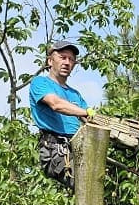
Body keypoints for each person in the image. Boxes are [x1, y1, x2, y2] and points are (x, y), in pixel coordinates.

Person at [28, 37, 93, 188]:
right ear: (50, 61)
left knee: (98, 179)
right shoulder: (40, 82)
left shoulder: (75, 95)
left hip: (76, 147)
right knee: (84, 184)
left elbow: (89, 121)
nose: (67, 62)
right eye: (62, 57)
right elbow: (56, 104)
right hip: (55, 148)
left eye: (71, 59)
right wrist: (85, 112)